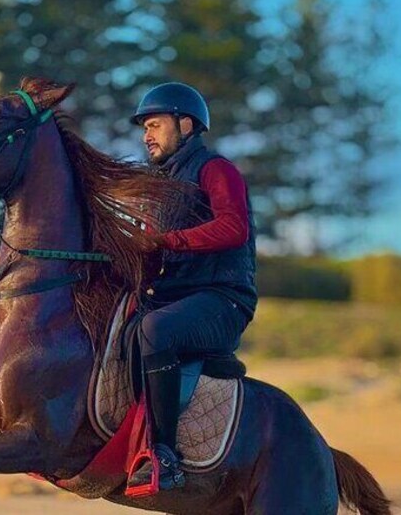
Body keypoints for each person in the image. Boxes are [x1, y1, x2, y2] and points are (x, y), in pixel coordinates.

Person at [127, 82, 258, 492]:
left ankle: (165, 456)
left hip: (224, 301)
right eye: (144, 128)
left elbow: (233, 228)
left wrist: (167, 241)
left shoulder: (216, 169)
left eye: (154, 125)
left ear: (185, 124)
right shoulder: (159, 185)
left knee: (154, 330)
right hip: (177, 299)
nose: (146, 135)